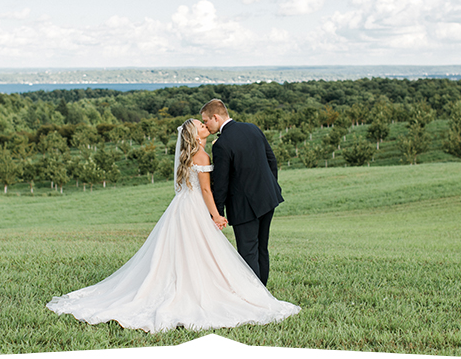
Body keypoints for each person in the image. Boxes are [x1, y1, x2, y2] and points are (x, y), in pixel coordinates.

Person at [47, 119, 299, 333]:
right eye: (201, 125)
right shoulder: (203, 155)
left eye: (204, 121)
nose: (204, 125)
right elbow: (206, 190)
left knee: (182, 250)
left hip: (181, 208)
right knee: (204, 251)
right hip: (198, 208)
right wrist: (216, 216)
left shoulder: (186, 156)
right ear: (195, 134)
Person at [200, 99, 283, 286]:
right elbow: (272, 160)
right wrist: (271, 187)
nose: (205, 125)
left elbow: (221, 184)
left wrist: (217, 213)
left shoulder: (221, 144)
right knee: (262, 248)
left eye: (205, 121)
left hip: (244, 207)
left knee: (248, 252)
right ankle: (264, 294)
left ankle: (256, 299)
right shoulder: (252, 128)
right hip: (267, 199)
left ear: (216, 117)